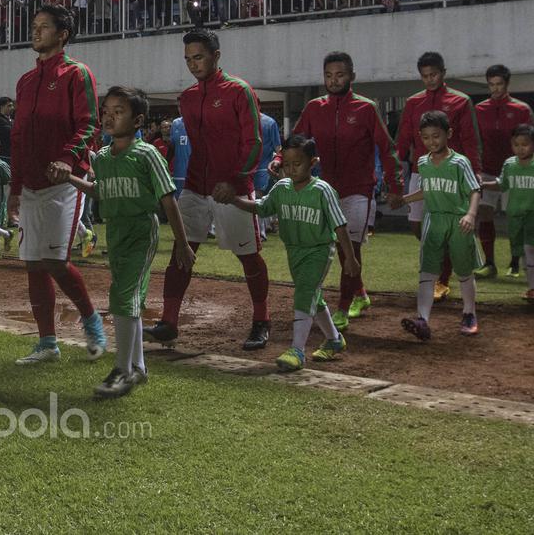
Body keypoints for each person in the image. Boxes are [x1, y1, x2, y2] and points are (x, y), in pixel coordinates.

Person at [145, 29, 272, 351]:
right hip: (195, 188)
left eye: (198, 57)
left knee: (248, 256)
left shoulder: (239, 91)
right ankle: (169, 322)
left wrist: (234, 180)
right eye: (188, 59)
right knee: (181, 252)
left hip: (233, 190)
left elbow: (254, 142)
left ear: (216, 56)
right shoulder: (187, 98)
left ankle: (262, 320)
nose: (192, 64)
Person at [64, 86, 194, 397]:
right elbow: (98, 191)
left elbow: (168, 200)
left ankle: (122, 370)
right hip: (117, 232)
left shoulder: (147, 154)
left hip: (140, 231)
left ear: (137, 120)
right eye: (106, 111)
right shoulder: (105, 157)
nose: (109, 117)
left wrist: (183, 243)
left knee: (122, 298)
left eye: (118, 111)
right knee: (128, 300)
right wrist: (69, 177)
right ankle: (137, 368)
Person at [269, 51, 402, 331]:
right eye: (329, 75)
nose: (334, 80)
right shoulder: (315, 108)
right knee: (339, 248)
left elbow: (387, 148)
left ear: (352, 76)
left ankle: (342, 306)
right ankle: (361, 294)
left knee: (350, 247)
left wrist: (395, 185)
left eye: (340, 74)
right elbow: (295, 140)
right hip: (327, 189)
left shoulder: (366, 108)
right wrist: (279, 160)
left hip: (359, 189)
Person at [7, 4, 106, 365]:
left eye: (44, 27)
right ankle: (47, 343)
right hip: (31, 183)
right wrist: (14, 188)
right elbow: (17, 137)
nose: (35, 32)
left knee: (54, 260)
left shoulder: (76, 73)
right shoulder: (26, 80)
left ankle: (92, 321)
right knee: (34, 263)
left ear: (62, 34)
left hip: (65, 182)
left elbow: (90, 124)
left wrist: (67, 159)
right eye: (34, 26)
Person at [217, 135, 356, 372]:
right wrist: (235, 200)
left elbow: (340, 226)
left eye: (297, 164)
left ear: (313, 162)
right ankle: (334, 339)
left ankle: (297, 350)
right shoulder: (282, 188)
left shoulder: (323, 191)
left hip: (318, 250)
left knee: (304, 292)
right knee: (313, 295)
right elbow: (261, 208)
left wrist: (350, 259)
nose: (291, 169)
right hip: (294, 251)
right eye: (287, 164)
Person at [394, 52, 481, 301]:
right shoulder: (413, 102)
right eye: (424, 76)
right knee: (416, 225)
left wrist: (473, 175)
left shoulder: (460, 101)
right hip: (420, 171)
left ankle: (442, 280)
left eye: (433, 75)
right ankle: (445, 258)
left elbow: (471, 142)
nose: (429, 80)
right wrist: (395, 173)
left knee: (445, 226)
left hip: (451, 176)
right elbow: (402, 140)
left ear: (443, 72)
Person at [389, 111, 483, 340]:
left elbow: (474, 190)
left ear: (448, 134)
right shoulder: (423, 162)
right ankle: (422, 319)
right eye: (426, 137)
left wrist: (470, 215)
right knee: (428, 271)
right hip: (434, 220)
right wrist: (404, 199)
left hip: (458, 220)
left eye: (437, 136)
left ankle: (469, 314)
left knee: (463, 271)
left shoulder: (460, 162)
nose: (432, 141)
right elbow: (427, 190)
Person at [480, 125, 534, 304]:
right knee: (522, 251)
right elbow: (502, 184)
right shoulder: (510, 164)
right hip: (515, 215)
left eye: (525, 144)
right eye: (516, 144)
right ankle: (532, 286)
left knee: (532, 247)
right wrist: (484, 184)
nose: (520, 148)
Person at [473, 64, 534, 278]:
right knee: (485, 213)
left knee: (515, 219)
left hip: (514, 171)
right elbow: (473, 141)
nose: (495, 88)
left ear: (507, 84)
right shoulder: (480, 109)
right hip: (488, 170)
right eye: (491, 84)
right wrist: (476, 168)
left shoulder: (521, 109)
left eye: (499, 84)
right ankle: (489, 263)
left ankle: (515, 262)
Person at [168, 116, 190, 196]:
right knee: (178, 205)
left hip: (195, 174)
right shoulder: (175, 123)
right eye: (179, 106)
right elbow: (172, 147)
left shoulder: (199, 120)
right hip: (178, 173)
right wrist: (165, 164)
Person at [0, 96, 15, 162]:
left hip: (13, 154)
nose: (12, 108)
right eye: (9, 106)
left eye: (12, 105)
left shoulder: (13, 121)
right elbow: (11, 133)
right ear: (1, 107)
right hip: (5, 156)